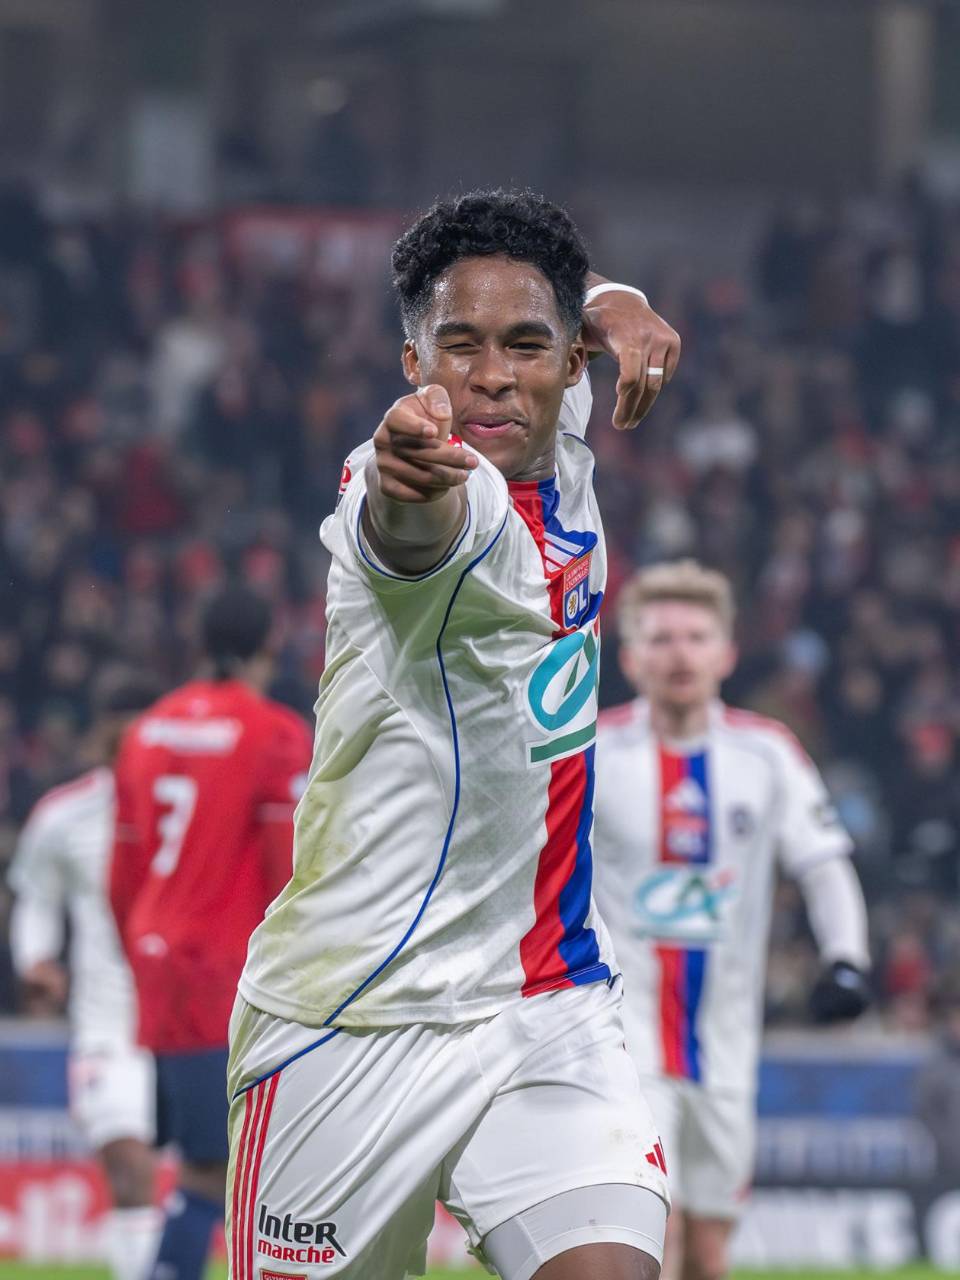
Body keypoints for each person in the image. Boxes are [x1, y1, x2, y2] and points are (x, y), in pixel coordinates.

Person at [226, 188, 681, 1280]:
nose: (488, 373)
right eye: (456, 347)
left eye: (525, 346)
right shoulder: (428, 489)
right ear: (409, 363)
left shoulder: (559, 432)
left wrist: (618, 299)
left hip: (547, 1001)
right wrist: (403, 474)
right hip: (351, 1014)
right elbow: (405, 521)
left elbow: (557, 300)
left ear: (574, 368)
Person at [593, 560, 872, 1280]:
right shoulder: (592, 752)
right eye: (660, 639)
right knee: (658, 1227)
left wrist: (847, 959)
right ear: (629, 657)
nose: (679, 653)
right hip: (623, 1035)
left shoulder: (766, 753)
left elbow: (824, 863)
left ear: (726, 652)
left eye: (695, 636)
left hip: (725, 1040)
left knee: (710, 1250)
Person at [109, 586, 313, 1280]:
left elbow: (123, 872)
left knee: (208, 1161)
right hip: (233, 969)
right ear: (269, 646)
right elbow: (285, 869)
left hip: (158, 963)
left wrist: (144, 951)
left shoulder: (145, 731)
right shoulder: (275, 733)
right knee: (231, 1166)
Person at [8, 674, 163, 1280]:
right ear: (99, 739)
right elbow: (35, 897)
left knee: (215, 1175)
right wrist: (35, 960)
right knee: (129, 1168)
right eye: (115, 737)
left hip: (191, 1022)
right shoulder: (64, 815)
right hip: (107, 1028)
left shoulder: (190, 803)